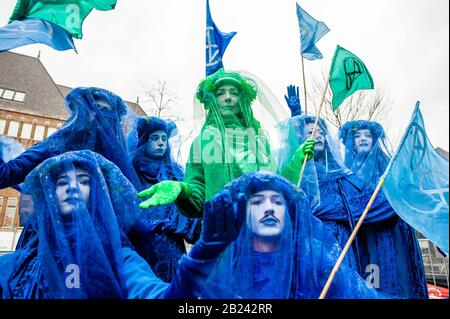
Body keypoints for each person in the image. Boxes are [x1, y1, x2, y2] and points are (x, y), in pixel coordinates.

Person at [0, 150, 241, 299]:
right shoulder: (16, 264)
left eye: (83, 181)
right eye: (63, 182)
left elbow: (158, 295)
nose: (72, 186)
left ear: (96, 194)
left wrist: (202, 257)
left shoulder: (117, 258)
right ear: (50, 195)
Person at [278, 114, 428, 298]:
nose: (317, 136)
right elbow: (285, 192)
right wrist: (297, 157)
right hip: (310, 245)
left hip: (343, 245)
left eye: (320, 132)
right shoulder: (299, 170)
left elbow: (368, 201)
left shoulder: (341, 174)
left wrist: (408, 195)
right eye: (310, 132)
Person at [138, 70, 315, 217]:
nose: (228, 98)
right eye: (221, 93)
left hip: (264, 229)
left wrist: (297, 160)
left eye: (234, 93)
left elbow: (277, 186)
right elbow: (199, 199)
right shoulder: (203, 140)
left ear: (242, 100)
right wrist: (184, 190)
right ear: (213, 100)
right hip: (222, 236)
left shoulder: (258, 139)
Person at [195, 171, 386, 299]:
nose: (269, 209)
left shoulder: (313, 258)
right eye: (258, 202)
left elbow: (358, 293)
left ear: (289, 213)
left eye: (278, 202)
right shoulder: (227, 262)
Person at [339, 120, 428, 298]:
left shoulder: (388, 167)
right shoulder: (346, 172)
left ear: (374, 139)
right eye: (357, 136)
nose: (363, 139)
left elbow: (407, 195)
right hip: (362, 234)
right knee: (369, 276)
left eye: (367, 135)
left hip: (392, 232)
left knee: (396, 271)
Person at [0, 87, 141, 191]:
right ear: (85, 111)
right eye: (96, 107)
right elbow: (7, 175)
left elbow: (133, 202)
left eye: (107, 110)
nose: (100, 115)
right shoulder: (57, 144)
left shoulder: (120, 156)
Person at [126, 116, 201, 281]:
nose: (161, 142)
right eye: (154, 138)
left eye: (164, 138)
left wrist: (171, 222)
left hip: (171, 247)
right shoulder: (130, 171)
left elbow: (189, 210)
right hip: (140, 245)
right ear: (144, 141)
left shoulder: (176, 173)